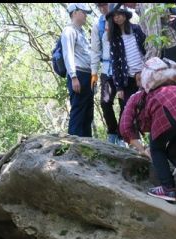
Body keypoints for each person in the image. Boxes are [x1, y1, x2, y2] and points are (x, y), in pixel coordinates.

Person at [119, 77, 176, 205]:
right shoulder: (162, 90)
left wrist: (143, 150)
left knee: (156, 148)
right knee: (175, 152)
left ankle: (168, 189)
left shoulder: (134, 98)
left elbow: (124, 127)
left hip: (171, 107)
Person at [91, 3, 123, 145]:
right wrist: (94, 74)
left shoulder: (123, 20)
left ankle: (123, 135)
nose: (102, 8)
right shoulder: (97, 26)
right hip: (106, 69)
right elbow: (95, 51)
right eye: (99, 6)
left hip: (123, 68)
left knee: (125, 103)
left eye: (104, 4)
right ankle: (112, 132)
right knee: (105, 102)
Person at [107, 4, 146, 119]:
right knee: (130, 111)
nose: (117, 17)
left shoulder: (137, 29)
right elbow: (115, 63)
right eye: (114, 16)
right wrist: (119, 87)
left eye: (119, 14)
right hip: (128, 79)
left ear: (125, 15)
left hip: (145, 74)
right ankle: (132, 137)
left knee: (148, 107)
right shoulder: (114, 38)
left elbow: (146, 49)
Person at [62, 3, 94, 137]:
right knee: (78, 109)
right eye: (83, 12)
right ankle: (74, 142)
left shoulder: (82, 32)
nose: (85, 15)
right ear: (74, 13)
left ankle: (88, 143)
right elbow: (67, 54)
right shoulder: (69, 31)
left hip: (88, 76)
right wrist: (73, 76)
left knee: (88, 112)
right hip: (78, 75)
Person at [133, 3, 176, 68]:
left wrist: (148, 64)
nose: (124, 5)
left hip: (171, 52)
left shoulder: (147, 5)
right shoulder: (142, 8)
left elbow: (155, 39)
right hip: (171, 51)